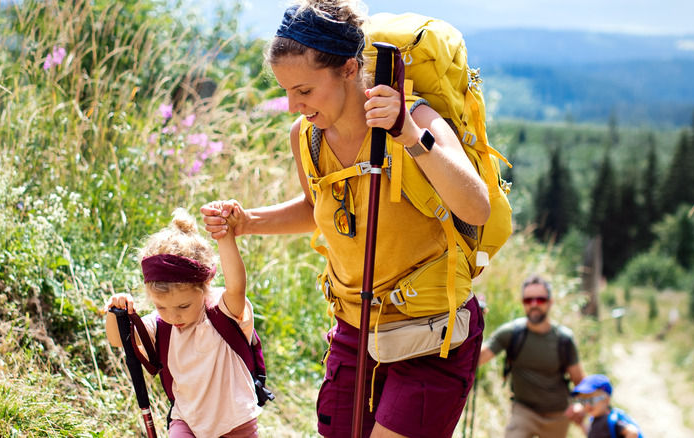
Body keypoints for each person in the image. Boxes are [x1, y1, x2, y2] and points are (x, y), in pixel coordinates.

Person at [201, 1, 490, 437]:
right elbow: (316, 209)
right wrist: (248, 222)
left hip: (432, 332)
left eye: (304, 90)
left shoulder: (417, 117)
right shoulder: (306, 136)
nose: (293, 104)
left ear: (350, 69)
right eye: (285, 91)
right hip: (355, 330)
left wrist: (409, 136)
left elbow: (476, 207)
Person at [104, 205, 262, 438]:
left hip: (236, 423)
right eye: (161, 306)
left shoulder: (223, 311)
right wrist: (114, 310)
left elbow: (236, 287)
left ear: (204, 288)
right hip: (187, 421)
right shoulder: (161, 325)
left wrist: (224, 235)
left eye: (183, 306)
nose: (172, 316)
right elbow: (119, 339)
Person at [478, 274, 586, 438]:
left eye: (540, 300)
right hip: (524, 411)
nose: (534, 305)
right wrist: (473, 320)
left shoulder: (563, 339)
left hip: (557, 415)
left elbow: (580, 381)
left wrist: (580, 405)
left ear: (551, 302)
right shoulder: (511, 333)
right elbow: (476, 359)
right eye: (528, 300)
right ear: (523, 303)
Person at [571, 374, 641, 438]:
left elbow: (632, 432)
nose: (587, 405)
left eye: (592, 400)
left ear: (606, 399)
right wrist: (581, 424)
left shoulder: (610, 420)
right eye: (583, 401)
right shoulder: (595, 419)